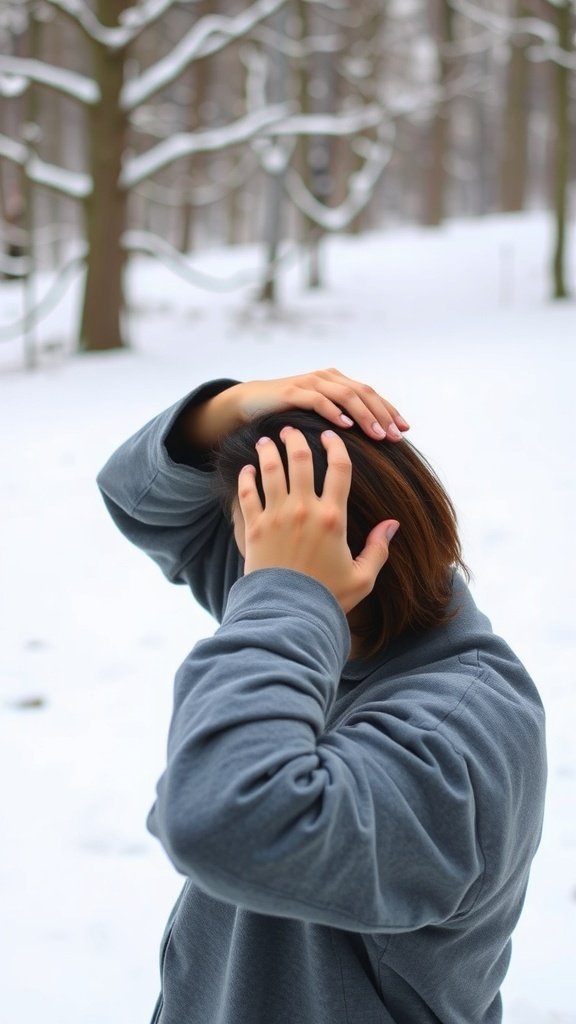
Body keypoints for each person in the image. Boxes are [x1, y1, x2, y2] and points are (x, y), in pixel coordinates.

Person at [97, 368, 546, 1024]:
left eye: (269, 548)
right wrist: (233, 406)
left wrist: (283, 591)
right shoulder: (338, 613)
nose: (249, 565)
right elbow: (136, 496)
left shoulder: (465, 732)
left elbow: (216, 814)